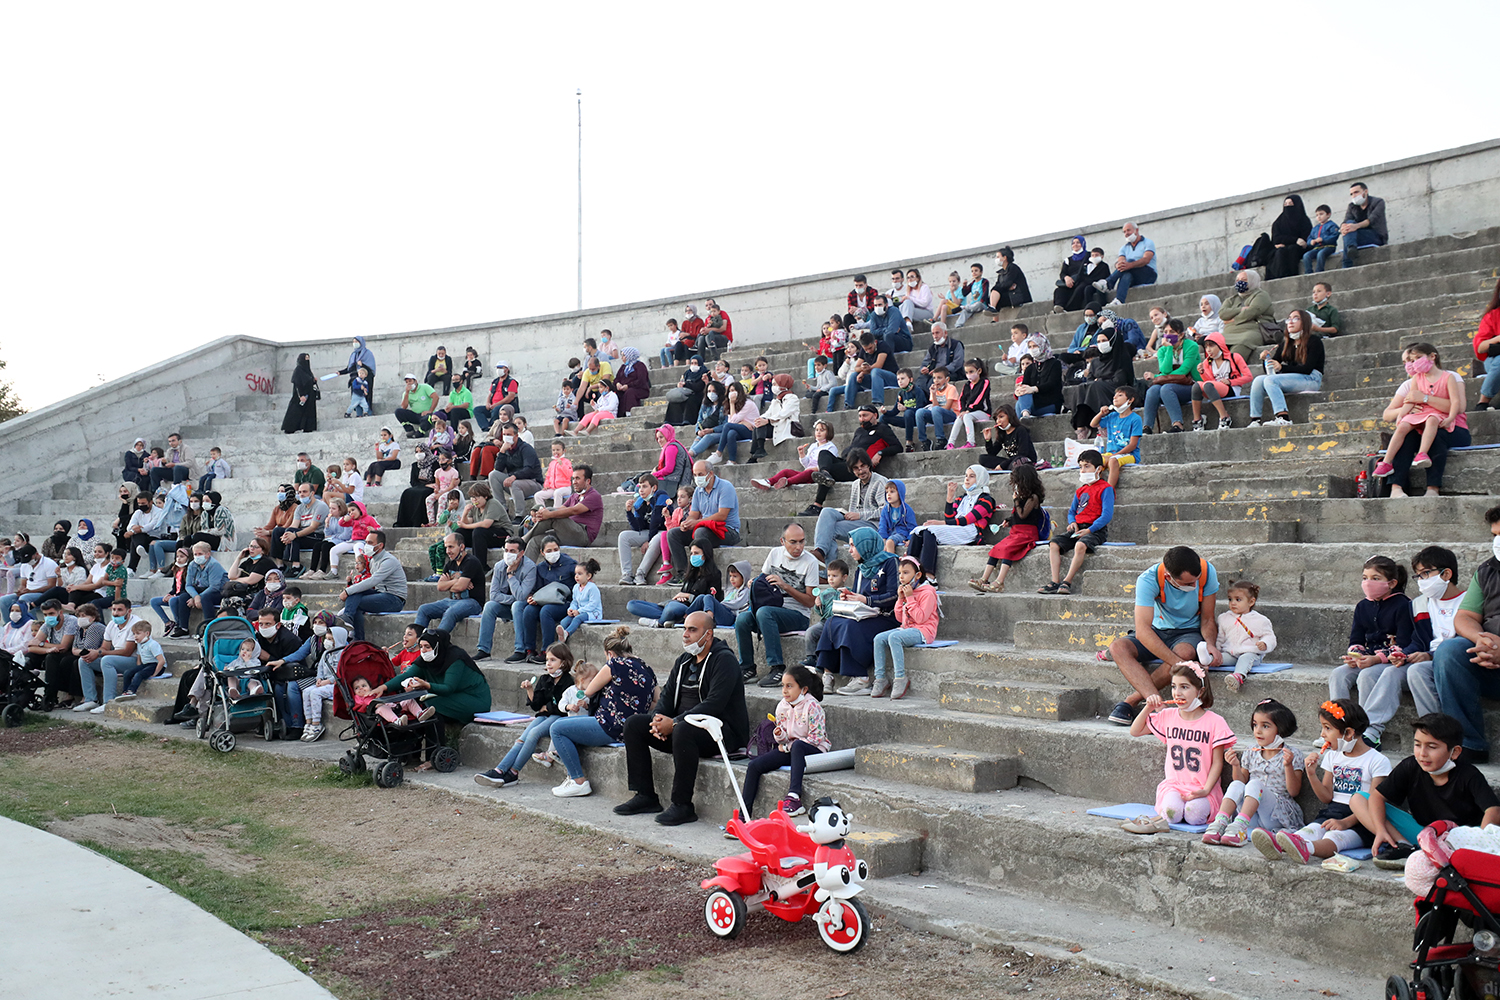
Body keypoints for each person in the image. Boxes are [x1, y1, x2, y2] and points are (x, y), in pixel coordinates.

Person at [612, 612, 748, 825]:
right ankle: (645, 796)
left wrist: (674, 723)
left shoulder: (724, 661)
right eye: (684, 629)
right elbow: (666, 699)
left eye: (692, 630)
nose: (685, 635)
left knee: (683, 730)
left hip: (720, 732)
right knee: (634, 724)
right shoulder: (684, 661)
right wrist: (659, 721)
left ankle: (683, 805)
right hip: (682, 729)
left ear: (708, 634)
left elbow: (714, 705)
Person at [1353, 713, 1500, 862]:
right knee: (1359, 799)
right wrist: (1380, 830)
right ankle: (1403, 845)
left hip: (1456, 842)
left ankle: (1441, 855)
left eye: (1432, 747)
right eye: (1417, 745)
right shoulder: (1410, 766)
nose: (1422, 753)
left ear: (1454, 752)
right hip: (1421, 833)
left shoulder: (1469, 775)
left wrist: (1477, 845)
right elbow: (1377, 796)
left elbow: (1493, 810)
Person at [1257, 700, 1389, 863]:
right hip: (1333, 812)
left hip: (1362, 820)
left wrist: (1345, 823)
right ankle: (1279, 844)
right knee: (1308, 831)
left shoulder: (1377, 761)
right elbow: (1326, 797)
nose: (1322, 734)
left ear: (1348, 733)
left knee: (1335, 837)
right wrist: (1312, 774)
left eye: (1327, 728)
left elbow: (1373, 803)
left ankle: (1307, 849)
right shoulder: (1333, 755)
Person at [1105, 546, 1222, 726]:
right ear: (1169, 577)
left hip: (1188, 631)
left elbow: (1207, 619)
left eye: (1195, 581)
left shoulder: (1207, 571)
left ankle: (1132, 700)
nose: (1194, 586)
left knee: (1184, 652)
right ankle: (1158, 706)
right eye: (1188, 584)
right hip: (1157, 630)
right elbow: (1143, 630)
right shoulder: (1148, 579)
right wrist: (1181, 666)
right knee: (1117, 648)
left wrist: (1211, 644)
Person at [1359, 547, 1463, 748]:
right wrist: (1403, 654)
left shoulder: (1467, 602)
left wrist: (1429, 656)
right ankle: (1369, 731)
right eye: (1419, 575)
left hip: (1449, 661)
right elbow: (1415, 640)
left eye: (1426, 573)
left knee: (1416, 671)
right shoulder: (1419, 604)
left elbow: (1465, 642)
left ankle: (1434, 730)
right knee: (1382, 673)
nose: (1422, 580)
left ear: (1446, 574)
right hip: (1422, 658)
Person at [1119, 663, 1233, 834]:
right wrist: (1148, 707)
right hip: (1174, 785)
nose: (1177, 693)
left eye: (1184, 687)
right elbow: (1135, 731)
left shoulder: (1215, 722)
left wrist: (1206, 789)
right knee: (1172, 814)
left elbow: (1217, 762)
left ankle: (1201, 804)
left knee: (1195, 816)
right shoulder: (1168, 716)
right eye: (1174, 686)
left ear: (1200, 691)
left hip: (1201, 786)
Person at [547, 627, 659, 798]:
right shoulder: (647, 668)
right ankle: (573, 779)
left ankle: (578, 781)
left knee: (557, 728)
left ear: (609, 653)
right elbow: (655, 702)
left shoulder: (614, 664)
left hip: (610, 725)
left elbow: (589, 691)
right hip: (633, 729)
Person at [371, 629, 492, 763]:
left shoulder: (455, 658)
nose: (423, 650)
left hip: (474, 700)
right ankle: (417, 755)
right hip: (452, 697)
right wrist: (383, 688)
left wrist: (426, 685)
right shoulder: (425, 659)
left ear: (438, 645)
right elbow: (406, 676)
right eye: (421, 646)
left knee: (431, 704)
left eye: (427, 647)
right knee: (424, 706)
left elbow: (448, 688)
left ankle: (433, 758)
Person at [1201, 699, 1304, 848]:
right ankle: (1220, 822)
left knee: (1255, 784)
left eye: (1265, 726)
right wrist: (1235, 765)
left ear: (1280, 729)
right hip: (1252, 816)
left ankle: (1239, 828)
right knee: (1236, 784)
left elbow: (1294, 791)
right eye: (1255, 725)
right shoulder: (1251, 752)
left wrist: (1287, 765)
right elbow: (1241, 782)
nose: (1258, 731)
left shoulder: (1293, 754)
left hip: (1276, 814)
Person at [473, 643, 576, 787]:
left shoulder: (568, 681)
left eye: (553, 660)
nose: (548, 663)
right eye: (547, 660)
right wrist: (530, 690)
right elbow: (536, 706)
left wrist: (547, 707)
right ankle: (500, 770)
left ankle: (514, 772)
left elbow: (562, 707)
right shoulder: (545, 679)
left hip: (558, 718)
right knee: (521, 739)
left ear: (563, 662)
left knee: (534, 733)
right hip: (544, 716)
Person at [1375, 342, 1470, 497]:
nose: (1410, 365)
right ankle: (1396, 487)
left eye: (1413, 360)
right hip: (1421, 427)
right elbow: (1387, 414)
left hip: (1450, 427)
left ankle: (1433, 488)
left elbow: (1459, 407)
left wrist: (1425, 398)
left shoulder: (1450, 376)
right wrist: (1408, 410)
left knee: (1436, 434)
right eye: (1406, 362)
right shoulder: (1412, 382)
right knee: (1405, 435)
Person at [817, 527, 900, 695]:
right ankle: (827, 673)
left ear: (866, 545)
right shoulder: (862, 568)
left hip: (887, 617)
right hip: (865, 614)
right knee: (832, 622)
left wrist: (866, 600)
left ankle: (861, 678)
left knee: (850, 626)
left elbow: (894, 596)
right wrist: (848, 597)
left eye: (854, 545)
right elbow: (858, 595)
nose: (850, 550)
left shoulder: (891, 562)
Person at [740, 666, 831, 819]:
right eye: (783, 686)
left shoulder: (813, 706)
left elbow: (816, 738)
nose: (784, 690)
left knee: (798, 746)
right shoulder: (782, 706)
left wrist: (787, 745)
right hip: (792, 750)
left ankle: (794, 798)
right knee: (754, 766)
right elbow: (785, 738)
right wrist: (780, 735)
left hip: (814, 750)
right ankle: (744, 815)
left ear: (803, 689)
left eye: (790, 686)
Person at [737, 524, 820, 687]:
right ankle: (747, 668)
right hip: (771, 608)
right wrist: (754, 583)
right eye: (793, 542)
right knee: (742, 619)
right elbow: (764, 577)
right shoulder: (775, 554)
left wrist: (786, 586)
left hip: (797, 614)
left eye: (802, 542)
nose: (799, 547)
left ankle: (777, 668)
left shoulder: (811, 562)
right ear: (782, 541)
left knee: (764, 613)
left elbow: (811, 601)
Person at [802, 405, 900, 516]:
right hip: (846, 462)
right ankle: (825, 473)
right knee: (823, 453)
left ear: (875, 415)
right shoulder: (859, 431)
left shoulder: (882, 429)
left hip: (859, 468)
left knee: (830, 471)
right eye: (860, 416)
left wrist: (880, 453)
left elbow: (897, 446)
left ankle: (817, 505)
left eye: (865, 415)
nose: (862, 419)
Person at [906, 465, 997, 584]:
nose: (967, 479)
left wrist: (940, 523)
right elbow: (950, 517)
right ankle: (909, 571)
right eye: (966, 476)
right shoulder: (961, 499)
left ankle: (929, 577)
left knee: (930, 531)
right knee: (919, 531)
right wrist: (950, 498)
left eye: (972, 476)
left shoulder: (987, 500)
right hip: (956, 528)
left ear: (980, 479)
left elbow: (967, 520)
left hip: (970, 531)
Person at [969, 463, 1046, 594]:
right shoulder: (1021, 497)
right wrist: (1009, 521)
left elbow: (1023, 515)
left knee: (1007, 549)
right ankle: (984, 579)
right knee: (996, 548)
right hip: (1016, 532)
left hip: (1027, 533)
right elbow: (1017, 516)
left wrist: (1016, 501)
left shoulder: (1033, 498)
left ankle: (999, 582)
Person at [869, 555, 938, 700]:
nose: (901, 576)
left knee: (894, 637)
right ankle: (880, 679)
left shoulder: (928, 592)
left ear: (917, 575)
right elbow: (899, 618)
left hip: (924, 630)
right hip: (907, 628)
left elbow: (921, 618)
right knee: (878, 638)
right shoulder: (906, 590)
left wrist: (911, 598)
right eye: (900, 573)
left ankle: (900, 678)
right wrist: (900, 599)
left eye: (906, 573)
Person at [1246, 311, 1325, 428]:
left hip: (1311, 378)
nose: (1290, 322)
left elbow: (1307, 369)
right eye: (1289, 319)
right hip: (1294, 377)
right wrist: (1266, 359)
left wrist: (1282, 367)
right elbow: (1271, 370)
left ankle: (1283, 417)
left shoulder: (1314, 341)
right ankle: (1255, 420)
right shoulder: (1286, 343)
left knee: (1271, 381)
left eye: (1296, 318)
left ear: (1305, 322)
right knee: (1258, 380)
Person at [627, 540, 728, 628]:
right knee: (632, 605)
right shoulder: (691, 572)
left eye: (696, 553)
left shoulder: (714, 574)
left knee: (672, 608)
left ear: (705, 554)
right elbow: (682, 593)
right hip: (677, 604)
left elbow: (709, 600)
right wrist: (680, 597)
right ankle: (668, 618)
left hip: (690, 608)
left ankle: (659, 623)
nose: (693, 556)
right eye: (691, 553)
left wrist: (688, 596)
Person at [665, 461, 740, 579]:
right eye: (694, 475)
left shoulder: (726, 487)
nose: (697, 478)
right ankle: (683, 574)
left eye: (700, 474)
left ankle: (702, 573)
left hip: (727, 530)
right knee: (673, 534)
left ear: (710, 474)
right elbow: (694, 514)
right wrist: (687, 523)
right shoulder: (698, 491)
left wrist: (697, 523)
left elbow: (722, 515)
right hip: (704, 528)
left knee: (700, 532)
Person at [811, 449, 887, 565]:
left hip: (873, 525)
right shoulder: (856, 484)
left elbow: (885, 511)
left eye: (863, 466)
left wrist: (859, 515)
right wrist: (849, 515)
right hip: (858, 522)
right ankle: (820, 552)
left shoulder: (880, 482)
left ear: (869, 465)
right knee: (826, 512)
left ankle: (825, 565)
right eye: (856, 468)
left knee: (829, 529)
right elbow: (853, 508)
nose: (861, 471)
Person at [522, 465, 604, 562]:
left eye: (578, 478)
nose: (574, 482)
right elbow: (559, 509)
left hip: (582, 536)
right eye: (573, 478)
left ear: (588, 481)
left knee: (551, 512)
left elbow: (574, 510)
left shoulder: (594, 496)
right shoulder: (574, 496)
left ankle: (522, 541)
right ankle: (525, 572)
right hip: (566, 533)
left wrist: (548, 514)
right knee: (535, 541)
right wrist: (541, 514)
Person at [75, 598, 144, 713]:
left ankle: (109, 701)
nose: (116, 613)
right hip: (118, 659)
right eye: (114, 610)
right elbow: (105, 647)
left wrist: (99, 653)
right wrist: (94, 653)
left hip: (135, 661)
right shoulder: (112, 624)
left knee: (107, 660)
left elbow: (127, 651)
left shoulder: (136, 624)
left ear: (129, 611)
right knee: (84, 661)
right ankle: (90, 700)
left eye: (120, 610)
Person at [474, 537, 536, 662]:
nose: (508, 554)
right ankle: (484, 650)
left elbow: (521, 597)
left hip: (525, 608)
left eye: (512, 551)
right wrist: (513, 598)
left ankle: (520, 650)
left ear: (521, 553)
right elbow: (494, 595)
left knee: (517, 605)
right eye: (506, 550)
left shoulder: (530, 567)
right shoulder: (499, 566)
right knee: (490, 606)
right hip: (508, 606)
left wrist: (511, 575)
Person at [1208, 580, 1278, 692]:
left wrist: (1265, 643)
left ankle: (1238, 676)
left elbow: (1270, 637)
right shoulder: (1224, 618)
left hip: (1251, 654)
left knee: (1245, 658)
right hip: (1231, 653)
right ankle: (1206, 659)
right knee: (1220, 658)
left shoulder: (1260, 620)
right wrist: (1216, 651)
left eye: (1238, 599)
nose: (1233, 603)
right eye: (1230, 599)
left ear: (1251, 602)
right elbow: (1221, 638)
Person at [339, 531, 407, 640]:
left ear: (380, 545)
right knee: (354, 594)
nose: (366, 545)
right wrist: (351, 590)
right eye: (366, 542)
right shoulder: (373, 560)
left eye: (370, 542)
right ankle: (349, 622)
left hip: (394, 599)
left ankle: (353, 630)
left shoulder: (388, 561)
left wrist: (347, 591)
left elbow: (373, 580)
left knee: (356, 601)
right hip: (381, 593)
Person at [414, 533, 486, 634]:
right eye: (446, 547)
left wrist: (450, 584)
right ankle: (416, 642)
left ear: (462, 547)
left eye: (451, 547)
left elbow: (461, 587)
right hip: (452, 601)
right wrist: (456, 581)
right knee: (423, 609)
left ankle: (435, 642)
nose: (448, 551)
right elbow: (440, 586)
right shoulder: (450, 563)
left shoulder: (471, 562)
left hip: (473, 602)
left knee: (450, 612)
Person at [1142, 319, 1201, 433]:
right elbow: (1164, 369)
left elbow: (1184, 371)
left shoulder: (1191, 346)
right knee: (1153, 390)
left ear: (1181, 335)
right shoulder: (1162, 349)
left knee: (1166, 388)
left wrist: (1161, 376)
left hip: (1192, 385)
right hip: (1172, 385)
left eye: (1172, 332)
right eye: (1166, 332)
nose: (1168, 335)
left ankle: (1178, 424)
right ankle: (1147, 427)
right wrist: (1169, 348)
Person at [1190, 332, 1251, 431]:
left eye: (1212, 346)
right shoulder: (1207, 362)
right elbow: (1209, 381)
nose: (1208, 350)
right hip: (1215, 389)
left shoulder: (1234, 357)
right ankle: (1197, 420)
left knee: (1208, 386)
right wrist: (1202, 373)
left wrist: (1231, 382)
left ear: (1220, 345)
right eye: (1206, 347)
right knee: (1196, 386)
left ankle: (1224, 416)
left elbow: (1249, 377)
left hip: (1231, 389)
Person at [617, 474, 671, 587]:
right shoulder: (639, 502)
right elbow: (638, 527)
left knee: (657, 538)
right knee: (624, 536)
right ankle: (627, 575)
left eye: (645, 486)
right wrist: (629, 512)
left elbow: (656, 521)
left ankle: (640, 574)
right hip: (649, 532)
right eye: (640, 486)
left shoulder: (661, 496)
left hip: (664, 531)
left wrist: (648, 541)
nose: (641, 490)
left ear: (654, 488)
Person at [755, 420, 837, 491]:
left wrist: (813, 469)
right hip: (806, 473)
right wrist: (802, 454)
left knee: (809, 472)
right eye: (817, 430)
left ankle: (787, 482)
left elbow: (828, 465)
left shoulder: (831, 447)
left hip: (817, 475)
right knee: (786, 471)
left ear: (828, 432)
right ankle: (769, 481)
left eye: (822, 430)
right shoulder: (813, 446)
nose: (818, 432)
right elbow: (806, 464)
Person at [1089, 385, 1143, 489]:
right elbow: (1093, 424)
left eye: (1120, 395)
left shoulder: (1135, 419)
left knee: (1113, 461)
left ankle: (1109, 490)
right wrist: (1101, 413)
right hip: (1111, 452)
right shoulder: (1112, 416)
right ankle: (1094, 489)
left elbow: (1132, 445)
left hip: (1129, 454)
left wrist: (1114, 455)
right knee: (1094, 460)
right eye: (1114, 396)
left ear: (1130, 400)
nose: (1115, 398)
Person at [1219, 270, 1275, 360]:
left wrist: (1231, 320)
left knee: (1242, 343)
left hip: (1252, 331)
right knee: (1214, 343)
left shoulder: (1261, 295)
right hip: (1229, 332)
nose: (1240, 282)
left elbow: (1251, 312)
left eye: (1244, 280)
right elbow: (1222, 314)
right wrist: (1240, 309)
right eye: (1237, 280)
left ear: (1252, 281)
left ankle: (1232, 369)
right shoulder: (1231, 299)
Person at [454, 482, 511, 568]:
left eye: (477, 497)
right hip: (484, 535)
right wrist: (465, 513)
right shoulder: (475, 506)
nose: (474, 500)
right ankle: (459, 565)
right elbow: (467, 522)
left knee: (478, 532)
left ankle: (480, 567)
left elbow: (486, 524)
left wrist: (465, 526)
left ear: (485, 496)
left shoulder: (493, 503)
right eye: (472, 497)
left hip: (502, 534)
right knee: (459, 532)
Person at [747, 374, 799, 464]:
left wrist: (767, 420)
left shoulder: (792, 398)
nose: (773, 387)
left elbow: (784, 413)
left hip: (787, 427)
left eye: (775, 384)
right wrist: (760, 419)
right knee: (760, 423)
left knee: (763, 422)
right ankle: (758, 450)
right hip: (776, 426)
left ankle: (756, 453)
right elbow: (768, 413)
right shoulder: (775, 400)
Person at [1104, 222, 1157, 306]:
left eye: (1128, 230)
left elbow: (1146, 259)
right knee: (1126, 274)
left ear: (1136, 230)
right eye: (1124, 232)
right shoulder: (1124, 248)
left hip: (1148, 274)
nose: (1126, 233)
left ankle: (1107, 283)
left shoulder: (1148, 242)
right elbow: (1121, 261)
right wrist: (1118, 265)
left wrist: (1130, 264)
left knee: (1130, 261)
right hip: (1133, 277)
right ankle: (1119, 300)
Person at [550, 558, 602, 642]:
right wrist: (571, 609)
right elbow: (575, 601)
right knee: (564, 621)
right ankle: (560, 644)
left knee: (577, 618)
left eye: (580, 574)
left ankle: (567, 633)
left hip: (592, 613)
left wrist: (579, 611)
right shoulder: (576, 587)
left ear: (588, 576)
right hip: (578, 611)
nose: (576, 576)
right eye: (576, 574)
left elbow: (593, 604)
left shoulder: (592, 588)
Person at [946, 359, 993, 449]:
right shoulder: (967, 385)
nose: (969, 375)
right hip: (969, 412)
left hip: (983, 412)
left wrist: (968, 410)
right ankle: (950, 443)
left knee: (966, 416)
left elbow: (980, 398)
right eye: (967, 373)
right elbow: (961, 399)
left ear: (979, 371)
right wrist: (963, 410)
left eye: (971, 372)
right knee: (960, 417)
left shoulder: (985, 382)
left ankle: (971, 442)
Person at [1340, 181, 1388, 268]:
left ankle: (1346, 264)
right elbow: (1346, 220)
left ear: (1365, 192)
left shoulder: (1378, 202)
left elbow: (1372, 219)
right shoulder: (1352, 206)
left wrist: (1356, 226)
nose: (1354, 196)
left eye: (1356, 192)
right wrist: (1343, 228)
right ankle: (1351, 247)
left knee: (1350, 229)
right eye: (1351, 194)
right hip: (1355, 236)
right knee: (1348, 225)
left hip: (1376, 235)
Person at [1014, 334, 1062, 420]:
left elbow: (1052, 384)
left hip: (1050, 403)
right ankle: (1026, 415)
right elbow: (1025, 386)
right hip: (1033, 404)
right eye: (1030, 347)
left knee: (1019, 404)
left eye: (1035, 346)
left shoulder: (1055, 363)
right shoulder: (1030, 368)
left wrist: (1034, 388)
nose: (1032, 349)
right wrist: (1019, 391)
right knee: (1022, 394)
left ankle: (1025, 418)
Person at [115, 620, 167, 700]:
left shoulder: (153, 644)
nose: (135, 636)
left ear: (147, 634)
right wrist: (138, 666)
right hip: (146, 664)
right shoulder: (139, 643)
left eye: (138, 634)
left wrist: (155, 674)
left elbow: (161, 661)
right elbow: (139, 655)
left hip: (157, 665)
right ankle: (125, 691)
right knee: (127, 672)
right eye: (134, 634)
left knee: (139, 674)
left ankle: (131, 691)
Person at [913, 366, 961, 451]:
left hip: (952, 414)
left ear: (947, 379)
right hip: (938, 414)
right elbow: (934, 406)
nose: (936, 380)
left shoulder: (951, 388)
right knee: (919, 412)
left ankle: (941, 439)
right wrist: (934, 394)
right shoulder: (934, 390)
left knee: (935, 409)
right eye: (934, 378)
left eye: (939, 378)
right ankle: (924, 441)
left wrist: (937, 410)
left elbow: (947, 408)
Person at [1267, 194, 1313, 280]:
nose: (1288, 206)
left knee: (1293, 249)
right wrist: (1295, 240)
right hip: (1283, 247)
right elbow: (1276, 239)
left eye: (1290, 204)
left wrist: (1296, 242)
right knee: (1280, 252)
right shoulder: (1279, 222)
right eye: (1286, 204)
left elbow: (1305, 238)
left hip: (1298, 249)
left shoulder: (1304, 220)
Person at [979, 404, 1037, 471]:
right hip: (1012, 462)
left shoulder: (1020, 430)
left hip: (1024, 461)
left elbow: (1023, 453)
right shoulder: (1002, 433)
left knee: (1019, 460)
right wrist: (988, 440)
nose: (998, 421)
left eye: (1001, 417)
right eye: (996, 418)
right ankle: (1009, 466)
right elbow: (992, 453)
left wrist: (1002, 465)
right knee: (982, 458)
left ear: (1009, 416)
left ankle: (1008, 467)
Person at [916, 323, 965, 402]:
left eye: (937, 333)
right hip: (933, 372)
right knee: (920, 382)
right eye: (933, 333)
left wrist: (941, 370)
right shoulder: (932, 348)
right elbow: (926, 361)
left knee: (934, 381)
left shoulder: (956, 345)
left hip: (950, 372)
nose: (935, 336)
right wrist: (923, 368)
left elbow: (957, 363)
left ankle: (931, 402)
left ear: (945, 333)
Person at [1050, 236, 1092, 313]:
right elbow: (1063, 273)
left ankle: (1068, 309)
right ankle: (1059, 308)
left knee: (1080, 288)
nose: (1075, 245)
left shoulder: (1089, 256)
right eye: (1073, 243)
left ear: (1083, 244)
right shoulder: (1068, 260)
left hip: (1083, 281)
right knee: (1059, 291)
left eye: (1078, 242)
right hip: (1070, 283)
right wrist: (1066, 278)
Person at [474, 361, 521, 430]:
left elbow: (510, 397)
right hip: (493, 406)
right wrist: (488, 403)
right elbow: (490, 394)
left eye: (501, 368)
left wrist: (496, 404)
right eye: (497, 368)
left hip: (506, 406)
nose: (498, 370)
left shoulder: (511, 381)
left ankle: (493, 426)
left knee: (497, 409)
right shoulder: (495, 381)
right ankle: (485, 427)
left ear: (506, 369)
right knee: (477, 410)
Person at [532, 440, 575, 511]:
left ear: (564, 450)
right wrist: (546, 485)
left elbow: (569, 474)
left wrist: (562, 465)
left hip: (565, 488)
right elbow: (548, 476)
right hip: (553, 488)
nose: (555, 452)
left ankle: (555, 511)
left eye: (558, 450)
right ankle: (542, 511)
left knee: (557, 493)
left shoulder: (566, 462)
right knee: (537, 495)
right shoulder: (552, 463)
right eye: (553, 450)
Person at [281, 353, 318, 434]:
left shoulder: (308, 370)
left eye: (308, 358)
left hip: (309, 395)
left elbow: (308, 381)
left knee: (309, 411)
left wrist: (313, 380)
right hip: (300, 396)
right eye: (306, 359)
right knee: (295, 411)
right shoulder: (298, 370)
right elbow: (297, 383)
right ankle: (290, 428)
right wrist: (301, 395)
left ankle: (308, 427)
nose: (307, 360)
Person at [338, 336, 378, 411]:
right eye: (353, 342)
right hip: (355, 381)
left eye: (356, 342)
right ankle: (359, 413)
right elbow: (350, 368)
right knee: (356, 398)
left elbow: (371, 370)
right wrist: (340, 372)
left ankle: (368, 412)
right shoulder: (354, 355)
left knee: (366, 398)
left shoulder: (367, 353)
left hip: (366, 381)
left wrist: (362, 365)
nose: (354, 343)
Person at [986, 248, 1031, 313]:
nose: (996, 259)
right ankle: (994, 316)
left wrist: (1003, 287)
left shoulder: (1013, 268)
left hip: (1018, 296)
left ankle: (993, 309)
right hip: (1010, 294)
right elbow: (999, 285)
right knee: (991, 297)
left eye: (998, 257)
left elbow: (1007, 283)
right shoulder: (1001, 272)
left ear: (1005, 258)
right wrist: (1006, 288)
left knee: (997, 291)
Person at [1302, 203, 1342, 274]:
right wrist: (1311, 242)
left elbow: (1334, 236)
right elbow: (1309, 238)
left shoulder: (1332, 225)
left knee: (1320, 254)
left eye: (1321, 214)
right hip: (1317, 247)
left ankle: (1319, 270)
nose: (1319, 217)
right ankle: (1308, 271)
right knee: (1306, 255)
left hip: (1329, 247)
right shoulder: (1315, 228)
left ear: (1328, 215)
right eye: (1317, 215)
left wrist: (1323, 239)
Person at [614, 347, 652, 417]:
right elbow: (617, 378)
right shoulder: (623, 367)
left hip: (639, 389)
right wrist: (618, 384)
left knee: (630, 392)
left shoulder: (640, 366)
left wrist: (628, 386)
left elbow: (641, 380)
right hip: (624, 389)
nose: (622, 358)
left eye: (623, 355)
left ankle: (629, 412)